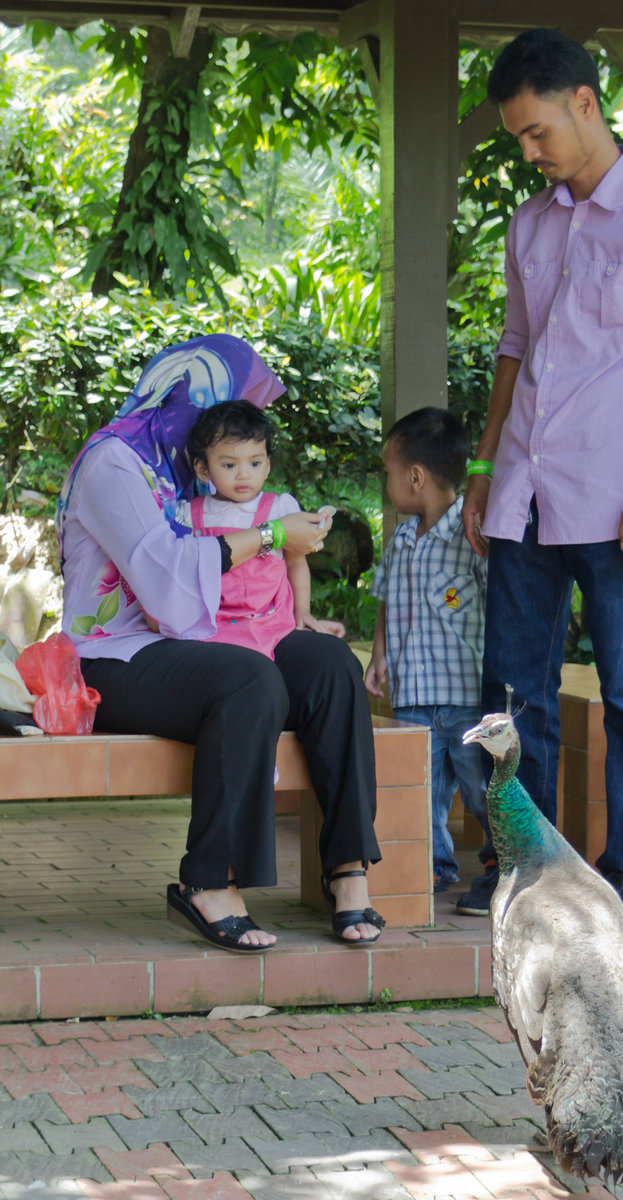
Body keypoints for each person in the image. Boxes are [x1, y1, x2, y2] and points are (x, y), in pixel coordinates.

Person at [462, 29, 623, 931]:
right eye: (517, 139)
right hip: (525, 494)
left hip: (617, 503)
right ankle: (521, 866)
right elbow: (514, 352)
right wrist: (486, 470)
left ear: (583, 102)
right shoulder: (531, 224)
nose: (529, 152)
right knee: (510, 696)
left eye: (536, 132)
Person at [57, 333, 383, 952]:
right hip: (121, 652)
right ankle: (210, 881)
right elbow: (167, 584)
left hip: (205, 640)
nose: (218, 424)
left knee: (330, 663)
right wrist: (269, 535)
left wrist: (300, 610)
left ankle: (347, 868)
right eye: (215, 403)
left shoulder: (182, 467)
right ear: (178, 396)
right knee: (247, 678)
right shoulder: (114, 462)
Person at [365, 407, 495, 909]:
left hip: (465, 699)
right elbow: (385, 601)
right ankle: (434, 867)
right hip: (412, 699)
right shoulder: (399, 542)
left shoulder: (472, 539)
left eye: (389, 471)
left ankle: (498, 861)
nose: (389, 481)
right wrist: (379, 655)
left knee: (480, 791)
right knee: (422, 794)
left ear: (415, 477)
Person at [177, 399, 344, 655]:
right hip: (210, 629)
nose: (244, 474)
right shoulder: (191, 514)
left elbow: (296, 563)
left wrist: (303, 613)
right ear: (203, 469)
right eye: (229, 465)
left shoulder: (280, 509)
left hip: (271, 624)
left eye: (254, 463)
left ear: (267, 466)